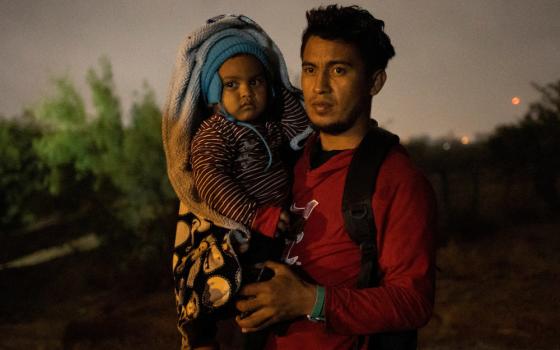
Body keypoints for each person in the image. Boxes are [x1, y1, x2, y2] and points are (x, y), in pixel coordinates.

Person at [234, 5, 437, 349]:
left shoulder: (398, 180)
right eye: (310, 69)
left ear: (374, 81)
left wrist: (310, 301)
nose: (319, 87)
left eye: (339, 70)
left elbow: (412, 302)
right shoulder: (286, 160)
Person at [161, 15, 311, 350]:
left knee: (268, 314)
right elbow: (212, 182)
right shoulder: (214, 133)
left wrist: (282, 93)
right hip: (239, 235)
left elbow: (300, 130)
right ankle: (204, 333)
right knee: (239, 313)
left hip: (273, 232)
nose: (246, 93)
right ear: (214, 92)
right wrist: (257, 216)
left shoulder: (270, 123)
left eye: (256, 82)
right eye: (232, 85)